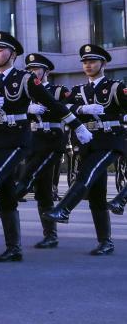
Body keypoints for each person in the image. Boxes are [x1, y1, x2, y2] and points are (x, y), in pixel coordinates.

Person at [0, 32, 92, 261]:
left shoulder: (25, 79)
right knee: (5, 195)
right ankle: (14, 248)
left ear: (12, 54)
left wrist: (77, 126)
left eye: (1, 49)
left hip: (17, 139)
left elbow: (52, 103)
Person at [44, 44, 126, 255]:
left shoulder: (116, 87)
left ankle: (64, 209)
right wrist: (82, 108)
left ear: (103, 64)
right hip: (89, 143)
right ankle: (105, 242)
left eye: (93, 61)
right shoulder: (79, 91)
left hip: (111, 141)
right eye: (85, 62)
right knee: (97, 194)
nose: (88, 65)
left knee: (86, 174)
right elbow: (63, 107)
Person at [0, 53, 69, 249]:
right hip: (32, 140)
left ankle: (5, 202)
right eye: (29, 69)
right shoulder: (24, 90)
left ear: (46, 71)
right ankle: (50, 235)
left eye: (36, 69)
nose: (32, 72)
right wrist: (27, 109)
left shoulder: (58, 90)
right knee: (43, 189)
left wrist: (45, 110)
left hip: (51, 140)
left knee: (29, 176)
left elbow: (64, 109)